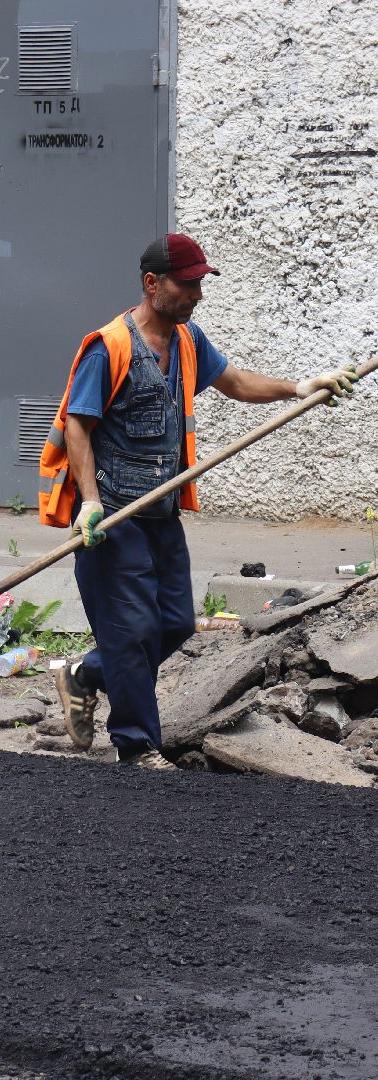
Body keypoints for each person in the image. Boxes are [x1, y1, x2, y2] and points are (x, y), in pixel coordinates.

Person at [37, 234, 360, 769]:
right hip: (115, 516)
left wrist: (302, 387)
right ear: (153, 284)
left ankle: (86, 675)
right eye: (187, 285)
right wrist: (89, 502)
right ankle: (137, 747)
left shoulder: (187, 341)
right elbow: (77, 424)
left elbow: (234, 381)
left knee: (176, 623)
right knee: (133, 630)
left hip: (161, 514)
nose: (197, 295)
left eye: (199, 284)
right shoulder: (109, 346)